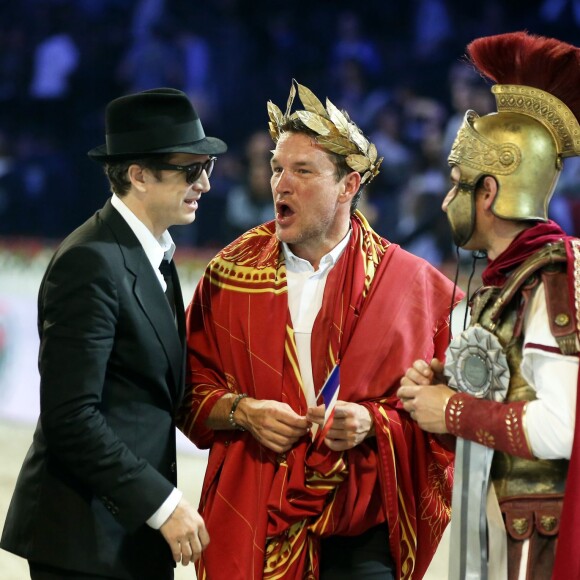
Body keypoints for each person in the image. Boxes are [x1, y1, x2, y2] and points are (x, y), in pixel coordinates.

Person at [178, 80, 458, 579]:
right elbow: (184, 385)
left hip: (364, 522)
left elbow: (453, 405)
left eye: (303, 171)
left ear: (348, 185)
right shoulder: (229, 273)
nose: (281, 184)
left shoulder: (414, 286)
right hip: (256, 514)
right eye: (276, 168)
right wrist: (243, 412)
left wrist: (375, 423)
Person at [0, 87, 227, 580]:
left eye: (206, 168)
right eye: (190, 169)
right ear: (138, 175)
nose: (205, 184)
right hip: (83, 542)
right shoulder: (90, 261)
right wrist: (163, 504)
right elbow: (70, 416)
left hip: (126, 537)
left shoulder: (154, 256)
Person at [398, 32, 580, 580]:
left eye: (459, 185)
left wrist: (451, 410)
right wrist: (444, 389)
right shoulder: (508, 280)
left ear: (491, 193)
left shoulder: (551, 277)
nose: (448, 200)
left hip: (538, 544)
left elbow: (562, 427)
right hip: (503, 532)